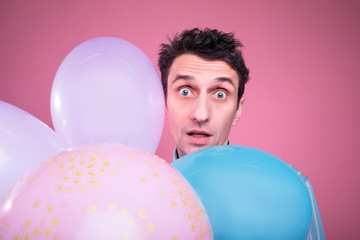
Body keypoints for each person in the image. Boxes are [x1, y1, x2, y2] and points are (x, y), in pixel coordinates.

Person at [158, 28, 325, 239]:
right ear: (163, 103)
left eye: (220, 94)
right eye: (185, 91)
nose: (200, 114)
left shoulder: (290, 187)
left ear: (238, 110)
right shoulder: (141, 192)